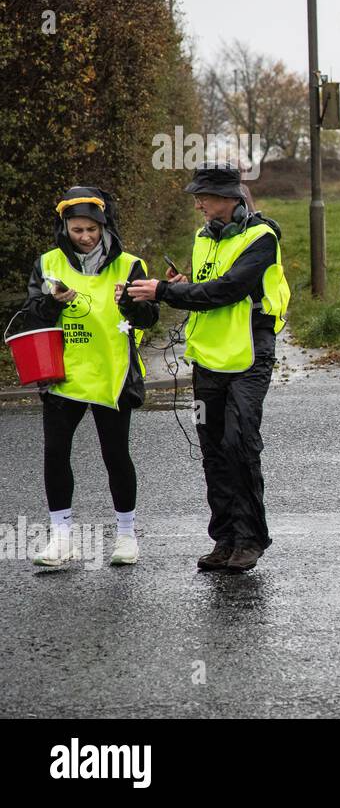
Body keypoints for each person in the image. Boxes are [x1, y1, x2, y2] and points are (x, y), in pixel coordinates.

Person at [126, 162, 290, 573]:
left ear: (230, 199)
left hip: (251, 354)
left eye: (204, 196)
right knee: (214, 451)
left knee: (240, 443)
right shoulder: (204, 237)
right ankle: (225, 539)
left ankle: (251, 539)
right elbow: (207, 281)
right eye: (197, 197)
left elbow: (229, 289)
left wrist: (165, 291)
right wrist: (182, 282)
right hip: (210, 357)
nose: (198, 203)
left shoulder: (262, 237)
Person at [19, 187, 159, 568]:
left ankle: (127, 536)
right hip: (62, 375)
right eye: (77, 229)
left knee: (115, 454)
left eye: (92, 229)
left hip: (112, 375)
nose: (85, 237)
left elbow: (149, 319)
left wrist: (130, 301)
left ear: (104, 225)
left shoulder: (130, 265)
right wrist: (51, 302)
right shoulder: (48, 263)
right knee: (55, 453)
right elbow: (32, 316)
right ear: (65, 227)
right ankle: (61, 537)